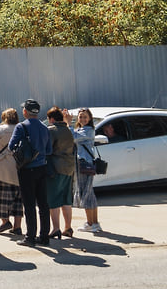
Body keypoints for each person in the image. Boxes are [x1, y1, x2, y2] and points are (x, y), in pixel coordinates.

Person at [8, 98, 52, 246]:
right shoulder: (45, 128)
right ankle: (44, 237)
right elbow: (49, 150)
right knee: (43, 204)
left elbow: (11, 146)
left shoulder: (21, 127)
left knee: (29, 205)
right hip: (42, 168)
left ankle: (30, 237)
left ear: (25, 111)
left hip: (26, 169)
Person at [0, 108, 24, 238]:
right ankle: (18, 227)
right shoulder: (22, 128)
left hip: (1, 167)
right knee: (18, 199)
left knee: (0, 197)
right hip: (19, 167)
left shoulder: (0, 128)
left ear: (4, 118)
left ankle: (5, 222)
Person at [45, 106, 76, 238]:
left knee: (53, 200)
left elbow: (48, 149)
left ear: (51, 119)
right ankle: (68, 227)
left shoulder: (51, 131)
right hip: (69, 167)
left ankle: (56, 228)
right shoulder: (68, 130)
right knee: (66, 200)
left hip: (55, 168)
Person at [73, 108, 102, 233]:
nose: (83, 119)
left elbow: (73, 137)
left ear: (90, 118)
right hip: (85, 163)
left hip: (84, 163)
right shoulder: (81, 129)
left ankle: (90, 223)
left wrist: (67, 124)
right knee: (89, 193)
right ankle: (94, 223)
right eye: (80, 117)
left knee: (86, 192)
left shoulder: (88, 130)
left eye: (85, 117)